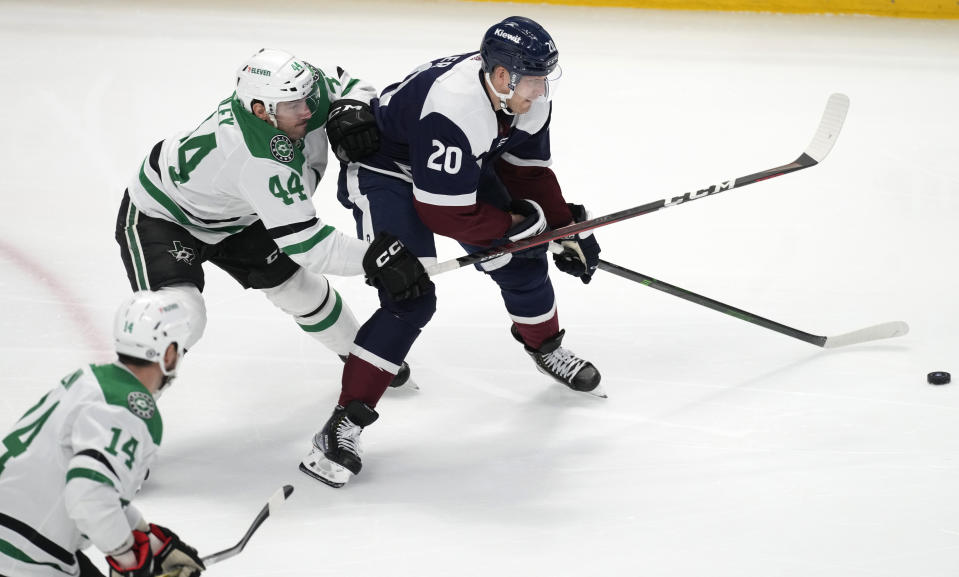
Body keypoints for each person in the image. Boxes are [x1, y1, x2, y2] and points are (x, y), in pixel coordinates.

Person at [299, 16, 603, 489]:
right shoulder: (456, 107)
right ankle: (342, 426)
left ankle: (546, 347)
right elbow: (442, 212)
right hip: (387, 173)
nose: (542, 91)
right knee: (409, 295)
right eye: (535, 80)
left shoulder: (523, 100)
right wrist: (521, 224)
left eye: (546, 78)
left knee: (524, 259)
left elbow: (528, 172)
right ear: (502, 76)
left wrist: (564, 227)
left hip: (456, 170)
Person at [114, 49, 430, 394]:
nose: (308, 111)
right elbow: (311, 247)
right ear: (260, 110)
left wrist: (349, 105)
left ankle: (365, 356)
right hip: (163, 215)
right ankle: (125, 401)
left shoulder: (296, 93)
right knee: (181, 314)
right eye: (293, 106)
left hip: (237, 213)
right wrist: (378, 257)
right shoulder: (255, 157)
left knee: (299, 290)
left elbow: (347, 82)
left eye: (307, 99)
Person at [0, 291, 205, 577]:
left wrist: (153, 542)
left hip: (19, 536)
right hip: (23, 557)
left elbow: (96, 487)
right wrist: (128, 559)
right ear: (168, 352)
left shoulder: (92, 380)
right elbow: (89, 494)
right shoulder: (129, 407)